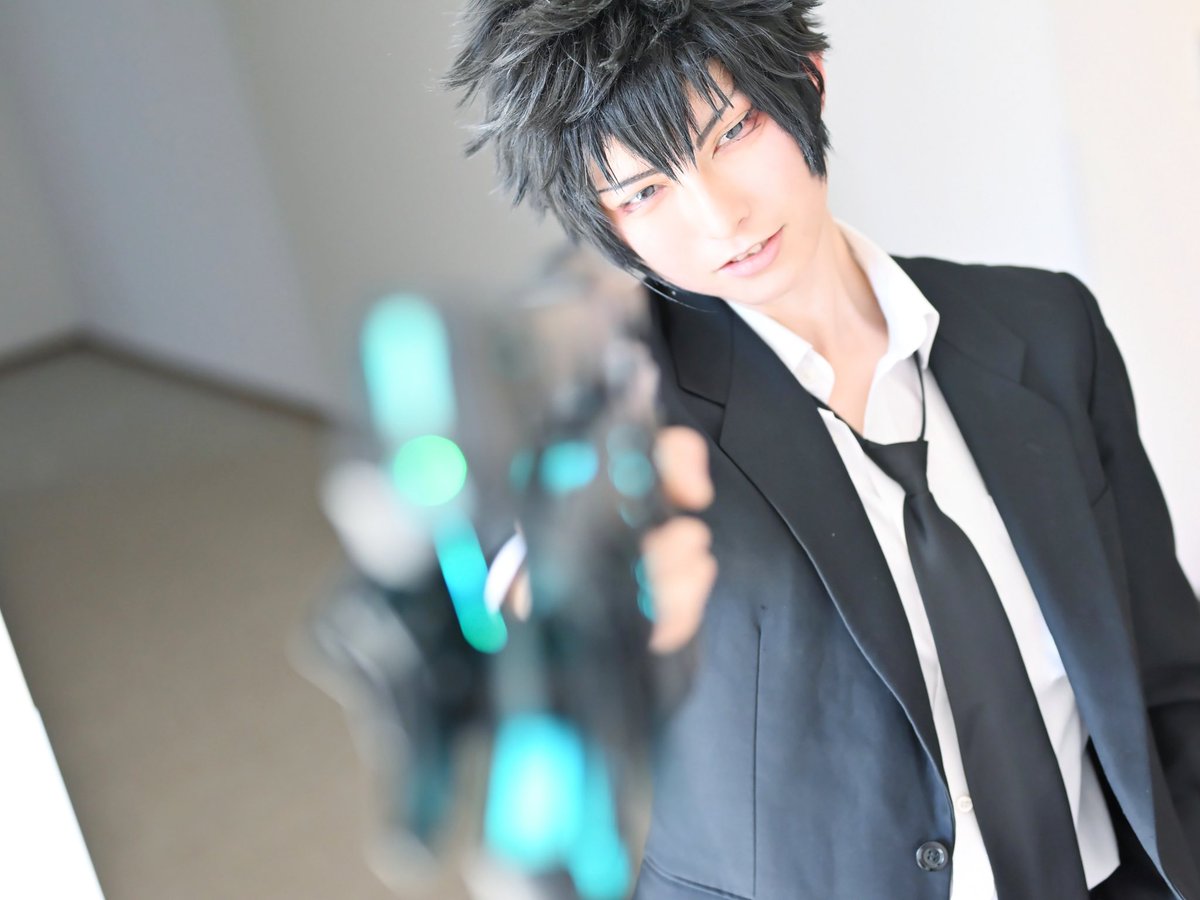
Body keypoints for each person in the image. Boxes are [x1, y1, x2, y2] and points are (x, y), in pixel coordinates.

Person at [446, 1, 1200, 897]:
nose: (721, 217)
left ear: (807, 79)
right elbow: (522, 585)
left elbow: (1167, 673)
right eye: (644, 191)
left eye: (733, 132)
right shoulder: (624, 409)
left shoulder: (1048, 328)